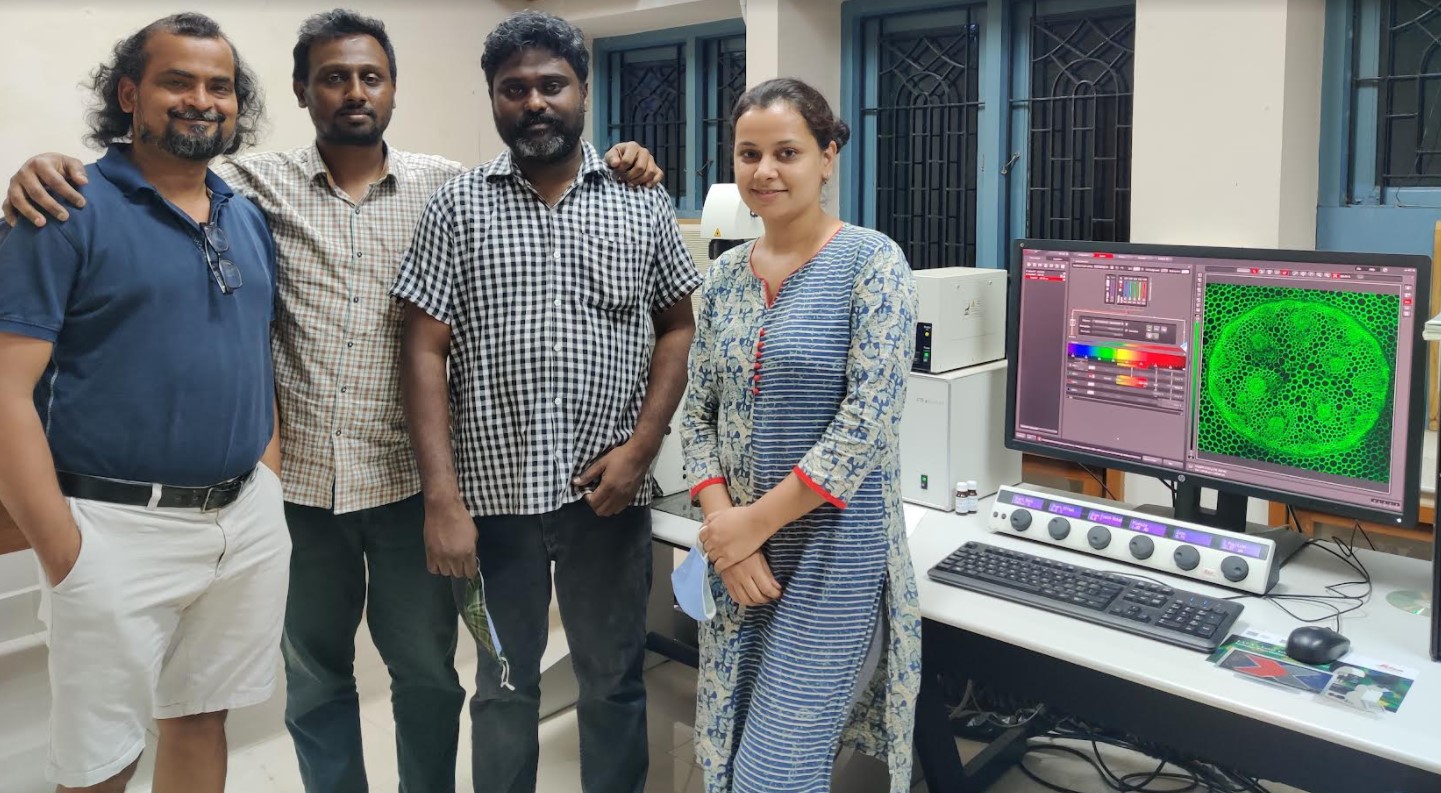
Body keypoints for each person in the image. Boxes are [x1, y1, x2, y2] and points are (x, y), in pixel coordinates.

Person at [1, 9, 663, 792]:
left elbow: (535, 179)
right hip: (298, 495)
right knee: (314, 682)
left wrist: (627, 159)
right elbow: (157, 173)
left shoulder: (451, 190)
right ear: (299, 91)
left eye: (370, 76)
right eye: (332, 77)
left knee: (428, 675)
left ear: (392, 89)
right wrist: (43, 165)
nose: (353, 90)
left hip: (407, 483)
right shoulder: (250, 190)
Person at [392, 10, 701, 793]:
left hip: (608, 496)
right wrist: (441, 498)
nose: (534, 102)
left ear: (584, 91)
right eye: (514, 88)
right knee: (501, 689)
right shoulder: (458, 208)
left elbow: (676, 327)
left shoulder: (640, 201)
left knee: (614, 681)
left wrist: (641, 451)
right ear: (493, 99)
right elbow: (421, 349)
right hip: (492, 507)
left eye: (551, 85)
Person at [0, 13, 289, 793]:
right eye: (177, 81)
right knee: (100, 762)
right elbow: (4, 392)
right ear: (130, 93)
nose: (201, 99)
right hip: (111, 529)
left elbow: (253, 353)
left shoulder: (245, 216)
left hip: (244, 522)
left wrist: (264, 478)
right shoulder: (62, 208)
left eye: (219, 86)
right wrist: (65, 550)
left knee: (201, 717)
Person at [679, 77, 922, 792]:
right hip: (740, 559)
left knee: (774, 770)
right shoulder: (723, 278)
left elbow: (865, 424)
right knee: (723, 749)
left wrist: (745, 525)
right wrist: (723, 527)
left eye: (786, 151)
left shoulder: (872, 264)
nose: (764, 171)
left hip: (832, 559)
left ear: (828, 156)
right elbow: (698, 414)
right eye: (748, 154)